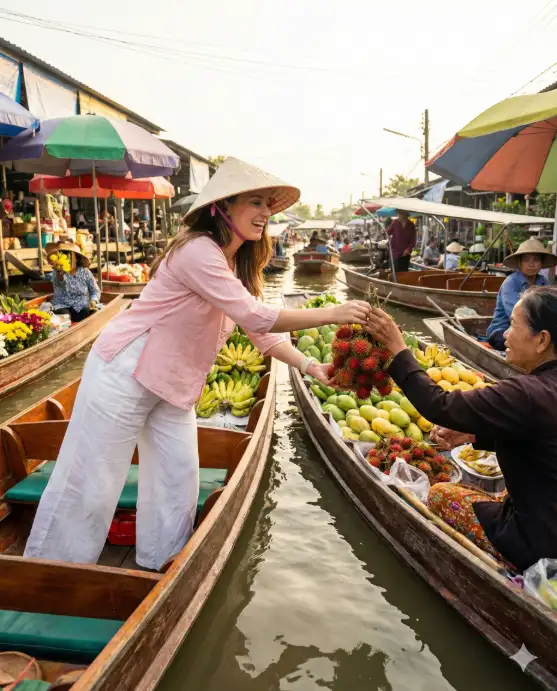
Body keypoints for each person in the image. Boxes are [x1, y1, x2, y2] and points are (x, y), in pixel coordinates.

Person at [24, 157, 372, 570]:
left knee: (179, 477)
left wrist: (309, 366)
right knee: (92, 481)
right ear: (221, 208)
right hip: (125, 371)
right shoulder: (197, 251)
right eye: (255, 203)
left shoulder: (232, 264)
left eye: (268, 206)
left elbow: (261, 332)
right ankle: (49, 574)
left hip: (173, 383)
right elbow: (257, 316)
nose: (265, 214)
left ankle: (162, 566)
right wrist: (333, 313)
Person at [364, 286, 557, 571]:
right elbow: (540, 436)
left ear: (542, 340)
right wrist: (475, 434)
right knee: (505, 492)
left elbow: (439, 405)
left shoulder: (526, 393)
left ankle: (506, 565)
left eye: (513, 326)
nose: (503, 334)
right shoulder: (541, 392)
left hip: (538, 543)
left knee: (442, 493)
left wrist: (398, 350)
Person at [486, 238, 555, 351]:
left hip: (533, 330)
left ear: (541, 263)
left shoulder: (543, 281)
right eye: (527, 260)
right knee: (529, 346)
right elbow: (518, 316)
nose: (531, 264)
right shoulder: (510, 282)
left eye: (536, 260)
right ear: (519, 262)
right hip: (503, 330)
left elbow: (549, 308)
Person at [46, 239, 101, 323]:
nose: (67, 259)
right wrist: (60, 274)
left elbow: (95, 291)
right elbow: (59, 283)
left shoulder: (85, 272)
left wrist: (93, 300)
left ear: (77, 259)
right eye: (64, 255)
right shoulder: (57, 272)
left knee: (88, 312)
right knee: (65, 316)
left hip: (81, 305)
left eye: (70, 256)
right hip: (62, 305)